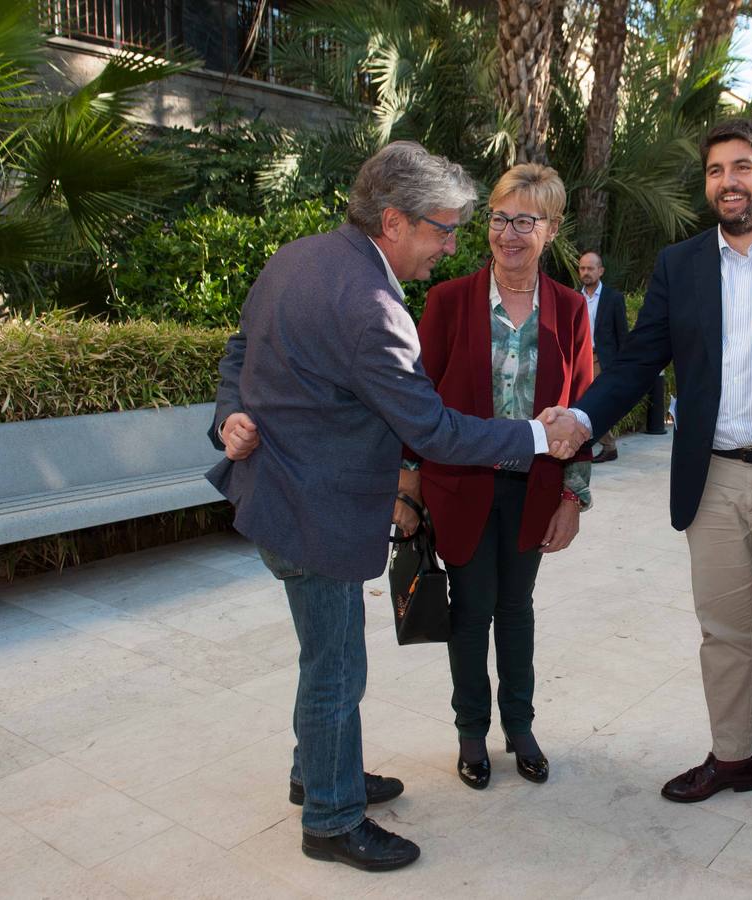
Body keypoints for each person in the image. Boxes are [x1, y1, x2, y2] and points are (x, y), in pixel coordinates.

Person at [206, 141, 585, 875]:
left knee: (323, 658)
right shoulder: (372, 306)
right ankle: (333, 818)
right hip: (314, 514)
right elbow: (432, 428)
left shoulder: (299, 257)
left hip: (279, 499)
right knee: (337, 669)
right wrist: (539, 434)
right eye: (441, 229)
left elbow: (237, 352)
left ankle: (316, 772)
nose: (450, 246)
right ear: (392, 221)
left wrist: (231, 416)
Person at [565, 119, 752, 835]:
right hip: (711, 479)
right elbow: (636, 361)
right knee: (723, 632)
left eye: (743, 166)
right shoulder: (681, 264)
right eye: (717, 170)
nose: (729, 182)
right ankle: (731, 757)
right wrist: (585, 419)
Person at [401, 164, 593, 790]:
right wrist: (407, 485)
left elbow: (585, 405)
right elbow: (417, 399)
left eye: (525, 221)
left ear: (551, 228)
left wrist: (573, 496)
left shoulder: (568, 310)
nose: (509, 234)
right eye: (500, 219)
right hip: (459, 485)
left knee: (516, 609)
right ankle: (470, 732)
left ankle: (520, 726)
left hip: (534, 487)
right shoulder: (449, 302)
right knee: (471, 609)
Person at [576, 250, 627, 462]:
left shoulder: (613, 299)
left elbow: (622, 333)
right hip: (578, 359)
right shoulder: (572, 297)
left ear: (601, 271)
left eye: (590, 268)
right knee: (578, 402)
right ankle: (601, 445)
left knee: (594, 403)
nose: (586, 272)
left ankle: (606, 445)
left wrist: (623, 365)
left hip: (601, 359)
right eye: (582, 268)